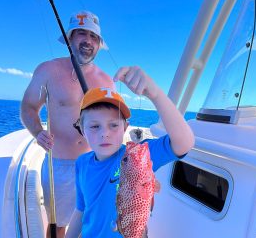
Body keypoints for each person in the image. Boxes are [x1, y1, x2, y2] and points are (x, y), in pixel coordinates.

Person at [65, 66, 195, 237]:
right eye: (95, 126)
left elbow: (184, 143)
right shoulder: (81, 163)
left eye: (113, 125)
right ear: (82, 129)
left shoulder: (136, 156)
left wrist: (155, 94)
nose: (105, 133)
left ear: (125, 128)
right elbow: (80, 210)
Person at [20, 10, 115, 237]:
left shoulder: (106, 80)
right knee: (59, 226)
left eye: (94, 37)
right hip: (59, 166)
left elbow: (112, 123)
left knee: (92, 223)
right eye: (82, 34)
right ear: (70, 38)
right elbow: (28, 107)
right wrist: (37, 132)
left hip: (95, 164)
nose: (88, 41)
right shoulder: (48, 70)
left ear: (99, 44)